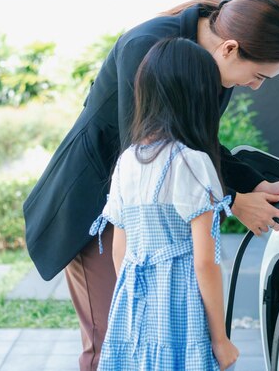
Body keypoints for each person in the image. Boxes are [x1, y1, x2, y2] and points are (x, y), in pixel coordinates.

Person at [22, 0, 279, 371]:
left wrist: (255, 186)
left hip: (147, 212)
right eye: (258, 75)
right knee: (113, 344)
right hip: (99, 208)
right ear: (229, 49)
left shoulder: (209, 67)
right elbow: (149, 153)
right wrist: (231, 201)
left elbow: (195, 142)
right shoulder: (148, 45)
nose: (256, 87)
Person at [89, 37, 240, 370]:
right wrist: (220, 338)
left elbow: (120, 250)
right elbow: (205, 261)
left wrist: (138, 296)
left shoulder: (128, 160)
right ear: (198, 96)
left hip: (132, 304)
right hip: (180, 304)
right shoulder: (192, 163)